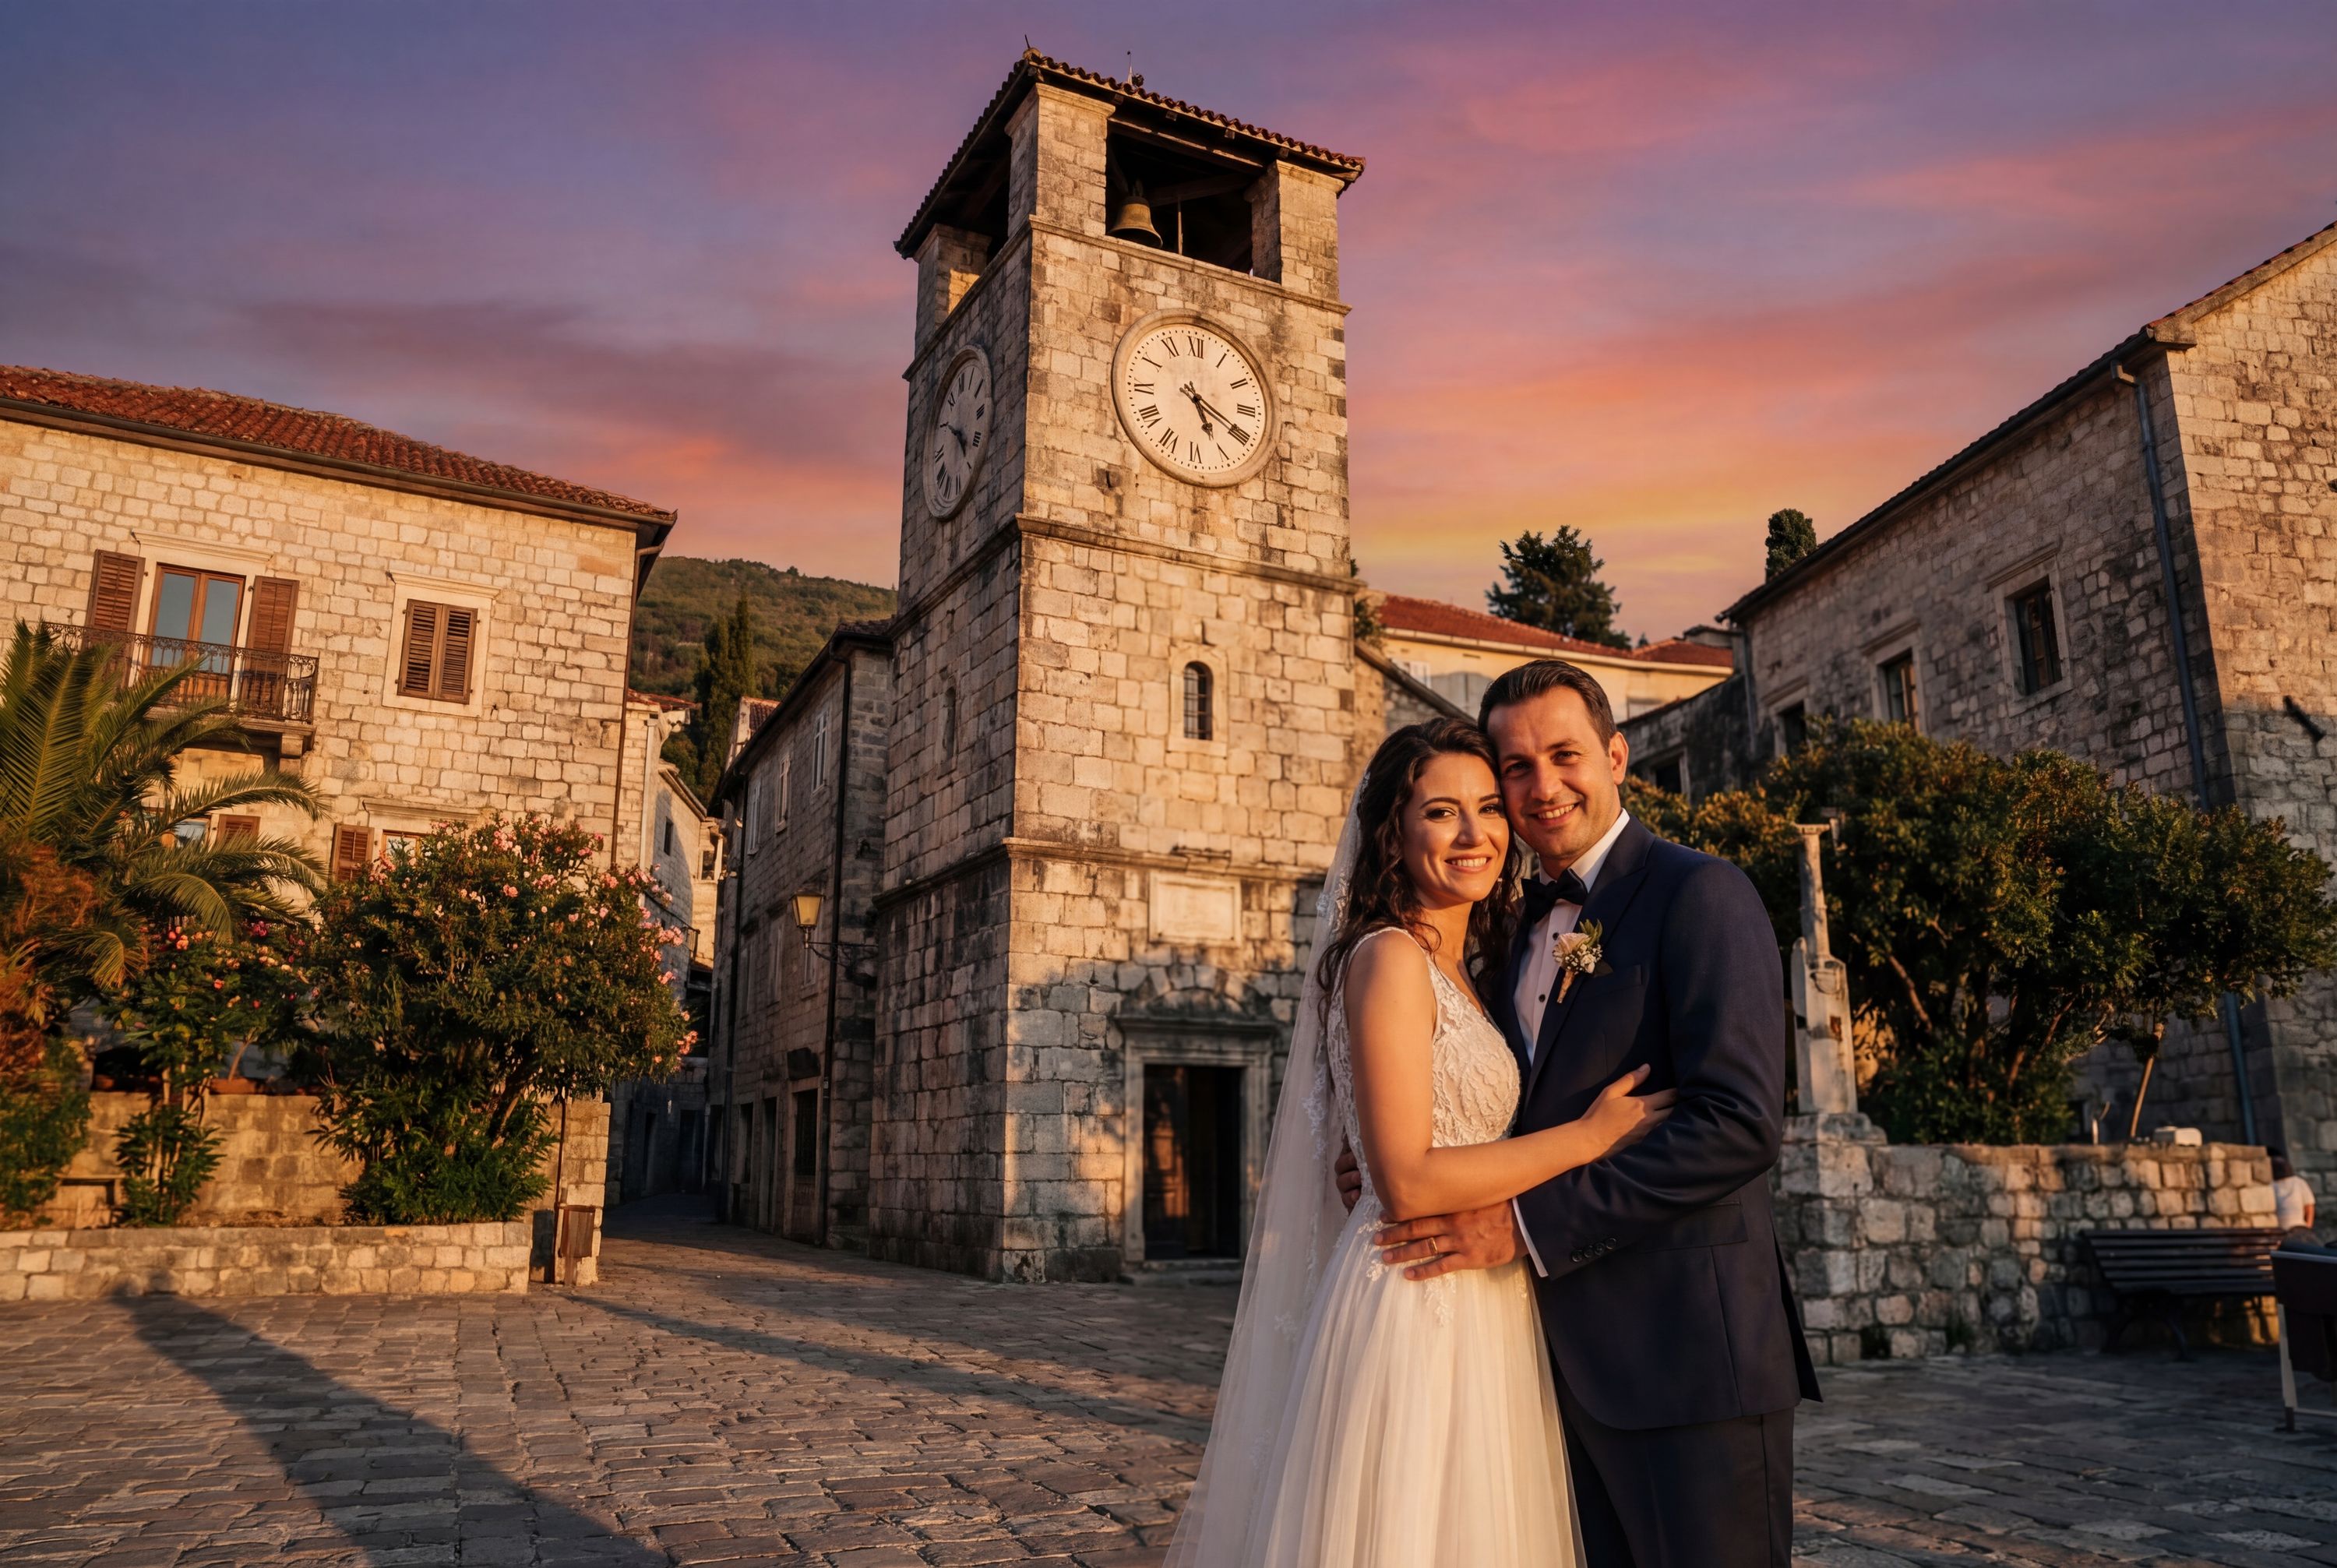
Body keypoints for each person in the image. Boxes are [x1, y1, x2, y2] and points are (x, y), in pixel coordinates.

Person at [1165, 718, 1675, 1568]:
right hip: (1418, 1296)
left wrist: (1367, 1151)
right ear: (1393, 838)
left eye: (1487, 807)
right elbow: (1405, 1181)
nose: (1475, 834)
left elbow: (1412, 1131)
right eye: (1442, 812)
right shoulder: (1391, 959)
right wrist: (1587, 1139)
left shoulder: (1469, 966)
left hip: (1487, 1295)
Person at [1358, 660, 1821, 1567]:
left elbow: (1736, 1122)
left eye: (1564, 755)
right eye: (1515, 768)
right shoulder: (1501, 929)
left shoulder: (1701, 894)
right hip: (1539, 1375)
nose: (1541, 786)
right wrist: (1393, 1148)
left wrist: (1525, 1228)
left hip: (1689, 1362)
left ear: (1617, 758)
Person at [2274, 1149, 2318, 1236]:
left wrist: (2308, 1227)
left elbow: (2309, 1206)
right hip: (2280, 1230)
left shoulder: (2298, 1182)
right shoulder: (2272, 1185)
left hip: (2299, 1228)